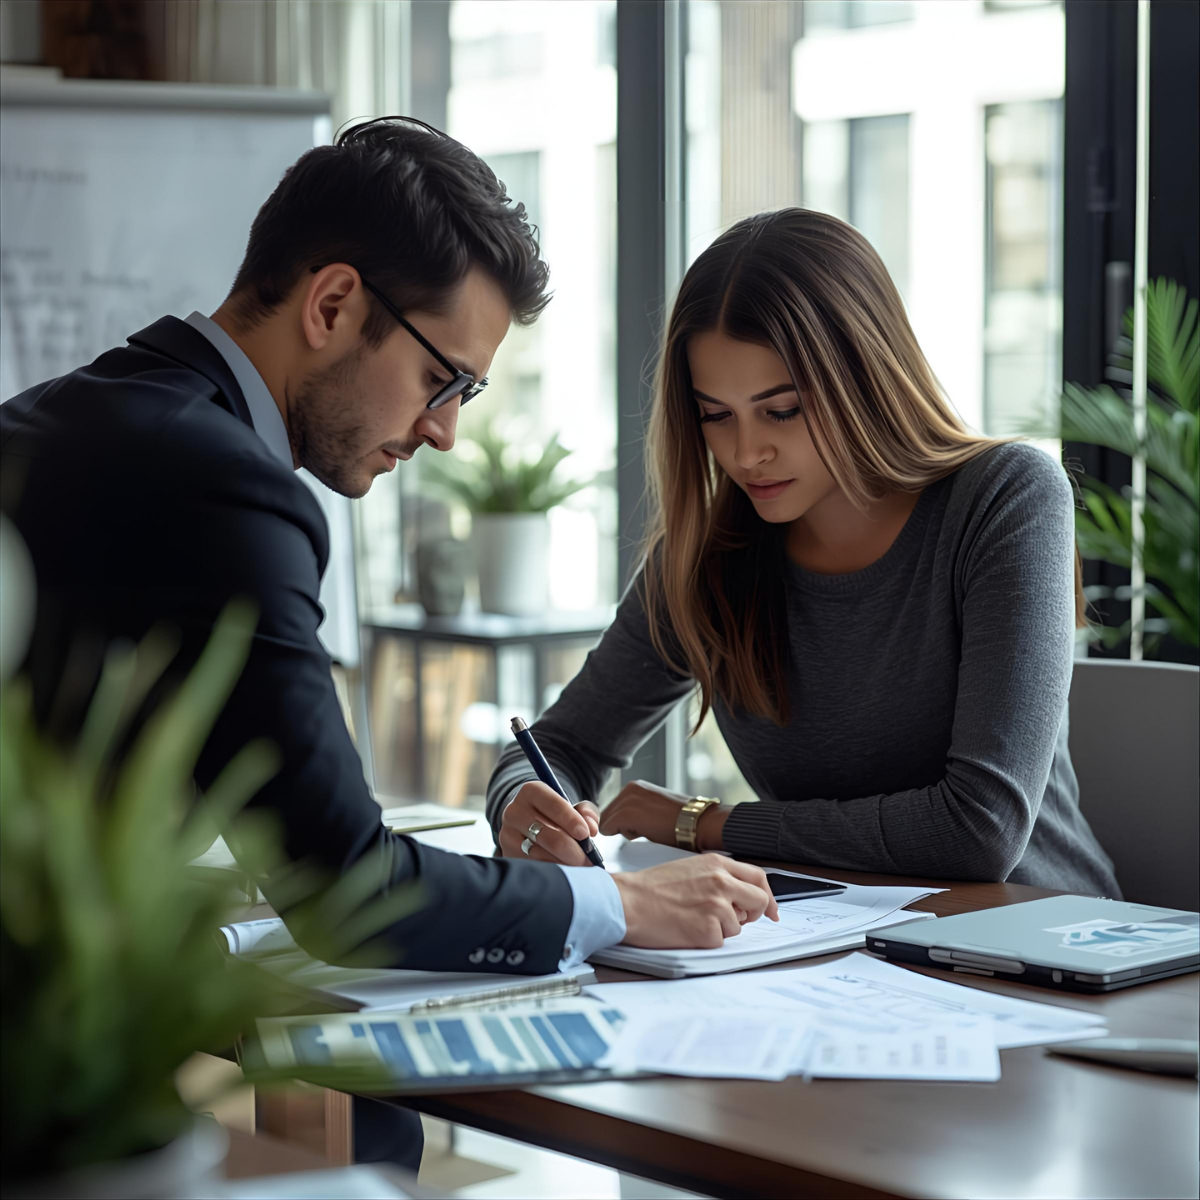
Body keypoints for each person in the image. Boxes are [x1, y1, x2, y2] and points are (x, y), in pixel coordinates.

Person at [0, 118, 777, 1169]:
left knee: (369, 1119)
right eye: (444, 381)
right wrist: (622, 901)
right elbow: (343, 889)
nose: (447, 432)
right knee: (372, 1136)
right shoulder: (229, 488)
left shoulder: (70, 415)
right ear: (332, 305)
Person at [490, 208, 1119, 900]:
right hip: (834, 956)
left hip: (1039, 946)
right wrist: (522, 805)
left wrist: (703, 824)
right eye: (715, 414)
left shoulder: (1005, 496)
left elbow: (978, 831)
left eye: (781, 410)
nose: (745, 451)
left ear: (866, 376)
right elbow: (561, 748)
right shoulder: (708, 556)